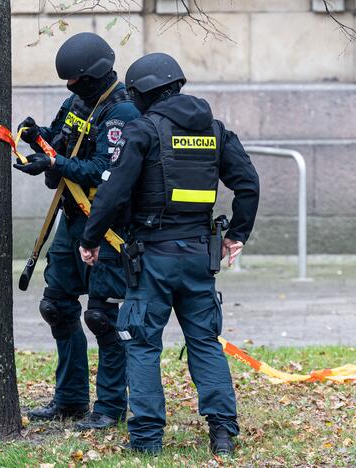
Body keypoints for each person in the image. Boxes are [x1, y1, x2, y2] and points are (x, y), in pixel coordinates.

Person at [78, 52, 260, 457]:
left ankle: (145, 441)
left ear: (143, 93)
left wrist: (90, 239)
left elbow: (112, 192)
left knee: (142, 345)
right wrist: (237, 234)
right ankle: (223, 435)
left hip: (151, 258)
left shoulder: (143, 131)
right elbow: (247, 183)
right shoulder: (214, 130)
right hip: (199, 255)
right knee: (205, 341)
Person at [14, 32, 141, 430]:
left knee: (103, 317)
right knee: (57, 306)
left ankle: (108, 407)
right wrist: (38, 138)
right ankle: (69, 400)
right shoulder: (76, 102)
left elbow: (105, 172)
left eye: (76, 81)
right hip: (71, 221)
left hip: (106, 227)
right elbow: (59, 140)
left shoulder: (122, 114)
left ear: (98, 75)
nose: (71, 88)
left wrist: (53, 166)